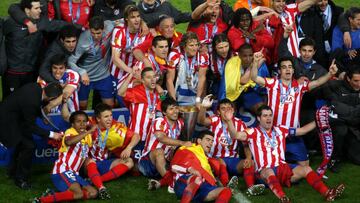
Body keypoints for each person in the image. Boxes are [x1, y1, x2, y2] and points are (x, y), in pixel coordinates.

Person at [230, 105, 345, 202]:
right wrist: (229, 121)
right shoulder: (252, 132)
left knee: (306, 169)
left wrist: (319, 119)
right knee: (268, 171)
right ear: (259, 118)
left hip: (283, 169)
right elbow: (235, 135)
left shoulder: (280, 129)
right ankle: (283, 198)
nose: (268, 118)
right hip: (264, 173)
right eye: (265, 116)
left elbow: (303, 130)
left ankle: (328, 193)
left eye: (270, 115)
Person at [250, 50, 338, 166]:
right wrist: (255, 63)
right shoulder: (272, 83)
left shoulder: (300, 86)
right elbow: (254, 77)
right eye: (284, 67)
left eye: (290, 67)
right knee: (269, 164)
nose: (287, 69)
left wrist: (330, 74)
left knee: (305, 164)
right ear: (280, 71)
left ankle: (288, 165)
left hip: (293, 133)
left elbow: (317, 82)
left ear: (293, 70)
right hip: (274, 133)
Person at [0, 82, 63, 189]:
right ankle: (21, 179)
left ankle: (12, 171)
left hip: (15, 117)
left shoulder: (36, 87)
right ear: (52, 98)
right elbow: (31, 127)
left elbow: (34, 105)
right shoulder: (31, 102)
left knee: (23, 145)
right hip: (8, 122)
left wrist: (41, 115)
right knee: (28, 146)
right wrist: (52, 135)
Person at [198, 97, 265, 196]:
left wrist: (248, 158)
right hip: (216, 159)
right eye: (223, 108)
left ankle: (251, 187)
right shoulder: (214, 120)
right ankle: (227, 185)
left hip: (233, 160)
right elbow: (201, 121)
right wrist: (203, 107)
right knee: (220, 161)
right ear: (218, 112)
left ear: (233, 110)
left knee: (250, 163)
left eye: (229, 108)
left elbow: (246, 144)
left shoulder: (240, 123)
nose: (226, 111)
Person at [2, 0, 70, 97]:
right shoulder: (10, 23)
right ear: (27, 10)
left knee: (28, 100)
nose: (40, 10)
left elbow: (58, 25)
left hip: (31, 72)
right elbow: (13, 8)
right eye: (36, 8)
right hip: (12, 73)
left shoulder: (40, 22)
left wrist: (82, 28)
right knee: (10, 101)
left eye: (40, 8)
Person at [32, 111, 98, 203]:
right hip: (62, 170)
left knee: (93, 193)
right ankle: (41, 200)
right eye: (78, 121)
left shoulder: (88, 137)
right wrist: (89, 131)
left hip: (74, 174)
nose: (82, 124)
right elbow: (69, 142)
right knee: (79, 194)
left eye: (84, 121)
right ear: (72, 124)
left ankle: (54, 193)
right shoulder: (69, 132)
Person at [84, 103, 140, 199]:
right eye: (106, 116)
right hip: (87, 164)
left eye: (110, 115)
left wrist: (128, 148)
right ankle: (101, 187)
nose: (110, 119)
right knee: (90, 160)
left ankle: (96, 180)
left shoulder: (115, 126)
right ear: (98, 119)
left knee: (129, 161)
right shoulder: (88, 122)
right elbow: (68, 117)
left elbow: (136, 136)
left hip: (103, 162)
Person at [139, 97, 192, 191]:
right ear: (164, 112)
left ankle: (162, 182)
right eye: (171, 109)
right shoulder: (159, 121)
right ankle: (174, 184)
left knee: (183, 153)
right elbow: (161, 138)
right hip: (148, 163)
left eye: (176, 108)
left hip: (165, 163)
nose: (175, 111)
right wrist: (182, 143)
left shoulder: (180, 123)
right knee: (159, 151)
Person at [317, 66, 360, 172]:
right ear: (348, 79)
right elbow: (336, 107)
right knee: (341, 130)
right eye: (356, 81)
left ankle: (347, 150)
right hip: (340, 124)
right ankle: (334, 159)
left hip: (354, 125)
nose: (359, 84)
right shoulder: (335, 86)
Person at [166, 32, 208, 140]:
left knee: (189, 127)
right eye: (191, 45)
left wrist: (198, 99)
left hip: (194, 92)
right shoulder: (174, 55)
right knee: (177, 125)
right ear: (184, 46)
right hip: (177, 91)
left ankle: (187, 144)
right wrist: (173, 101)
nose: (195, 48)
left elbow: (202, 78)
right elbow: (169, 79)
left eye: (196, 45)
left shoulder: (203, 56)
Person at [171, 130, 232, 203]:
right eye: (208, 140)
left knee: (226, 191)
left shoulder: (206, 159)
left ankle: (226, 184)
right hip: (184, 184)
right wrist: (189, 169)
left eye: (212, 141)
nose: (210, 143)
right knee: (197, 179)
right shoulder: (188, 149)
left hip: (202, 187)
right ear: (199, 141)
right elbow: (173, 166)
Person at [68, 16, 115, 110]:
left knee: (109, 105)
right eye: (93, 33)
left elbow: (125, 20)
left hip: (103, 75)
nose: (96, 36)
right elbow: (70, 61)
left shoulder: (109, 26)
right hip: (87, 78)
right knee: (82, 106)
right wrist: (81, 72)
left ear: (104, 28)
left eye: (98, 33)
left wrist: (143, 24)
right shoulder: (83, 40)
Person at [110, 5, 153, 85]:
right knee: (111, 97)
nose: (137, 20)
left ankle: (163, 97)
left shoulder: (144, 32)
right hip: (117, 74)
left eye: (138, 16)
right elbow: (115, 59)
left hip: (135, 75)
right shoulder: (119, 31)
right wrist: (131, 71)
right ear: (126, 18)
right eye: (133, 17)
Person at [118, 68, 161, 146]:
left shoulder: (158, 93)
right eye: (149, 77)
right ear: (143, 80)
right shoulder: (136, 92)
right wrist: (131, 75)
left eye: (154, 77)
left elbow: (165, 102)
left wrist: (161, 92)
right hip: (136, 138)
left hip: (151, 139)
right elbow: (121, 93)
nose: (152, 79)